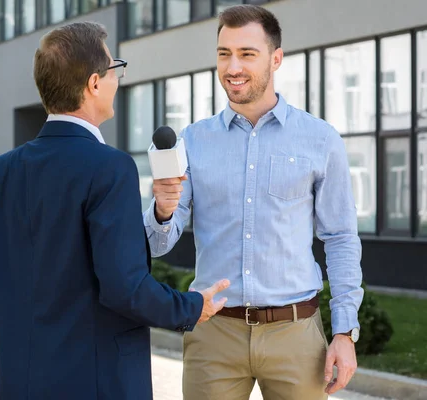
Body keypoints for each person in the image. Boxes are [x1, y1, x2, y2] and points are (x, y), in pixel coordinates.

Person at [0, 21, 230, 400]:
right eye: (114, 69)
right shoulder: (109, 167)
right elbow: (125, 288)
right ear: (93, 84)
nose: (118, 79)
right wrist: (190, 306)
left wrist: (23, 343)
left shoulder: (1, 170)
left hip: (17, 379)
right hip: (96, 381)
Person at [144, 5, 364, 400]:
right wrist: (161, 209)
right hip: (214, 335)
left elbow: (341, 238)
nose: (233, 67)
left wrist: (345, 333)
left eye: (247, 53)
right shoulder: (192, 141)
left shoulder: (320, 139)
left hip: (295, 335)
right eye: (224, 53)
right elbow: (159, 243)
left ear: (275, 59)